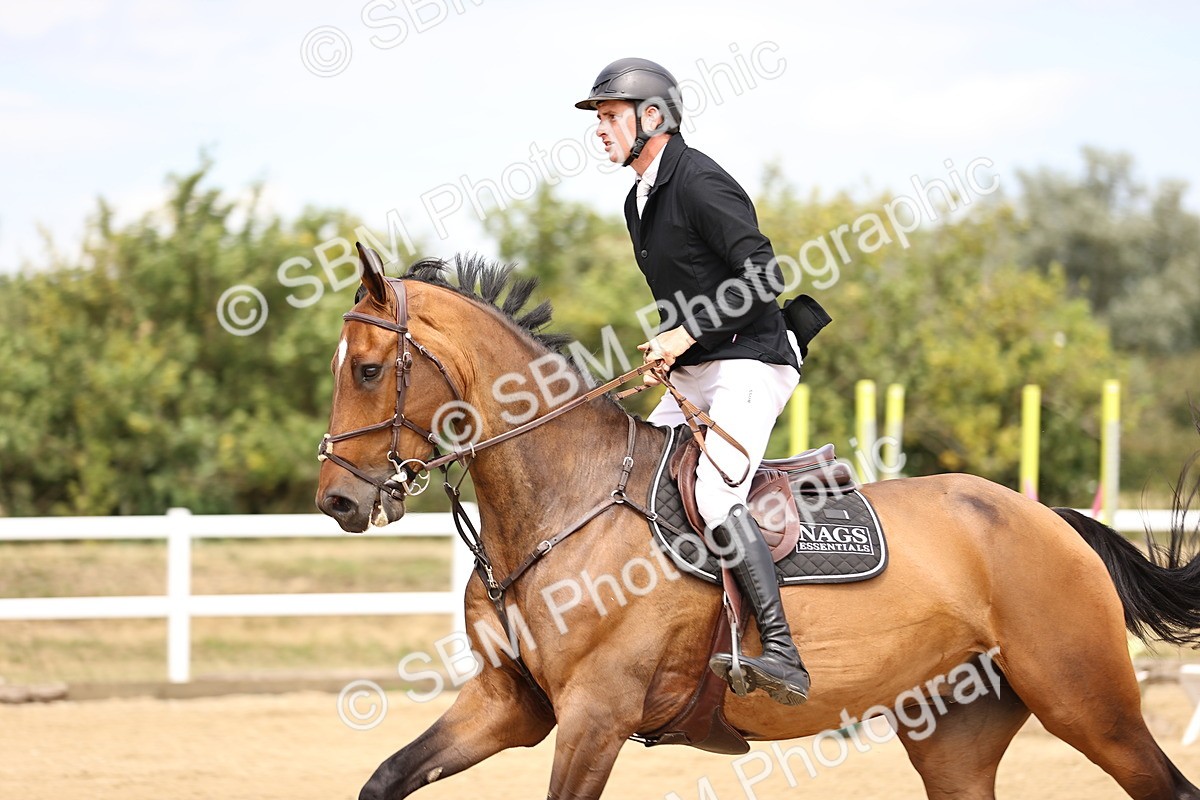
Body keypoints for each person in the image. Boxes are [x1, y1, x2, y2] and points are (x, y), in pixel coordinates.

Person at [576, 58, 811, 705]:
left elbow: (764, 275)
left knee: (712, 495)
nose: (600, 130)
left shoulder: (700, 181)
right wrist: (672, 348)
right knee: (638, 477)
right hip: (701, 366)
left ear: (653, 118)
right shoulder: (638, 200)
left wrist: (688, 332)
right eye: (598, 119)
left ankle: (784, 653)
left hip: (752, 360)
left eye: (609, 116)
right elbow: (692, 294)